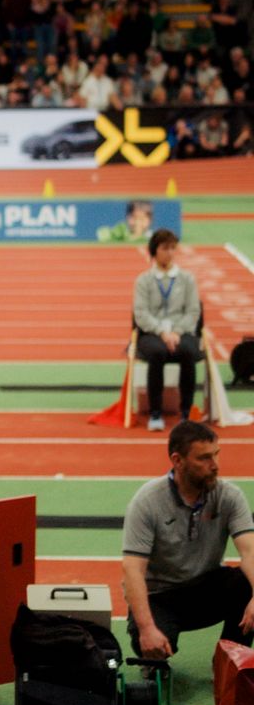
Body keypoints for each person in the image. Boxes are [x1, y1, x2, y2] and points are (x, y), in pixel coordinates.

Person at [121, 420, 254, 662]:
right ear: (177, 460)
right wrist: (147, 628)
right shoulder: (147, 502)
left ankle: (231, 663)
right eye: (204, 458)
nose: (215, 466)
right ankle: (154, 658)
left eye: (216, 455)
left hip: (205, 588)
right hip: (160, 596)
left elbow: (249, 552)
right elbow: (132, 569)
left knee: (245, 583)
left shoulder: (229, 496)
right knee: (153, 648)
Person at [133, 227, 202, 430]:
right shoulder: (143, 280)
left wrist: (176, 332)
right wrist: (162, 333)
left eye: (173, 248)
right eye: (165, 248)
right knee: (157, 353)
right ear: (155, 251)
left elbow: (193, 311)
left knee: (188, 352)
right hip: (152, 333)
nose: (170, 252)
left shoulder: (187, 279)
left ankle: (186, 412)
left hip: (181, 332)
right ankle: (155, 413)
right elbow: (141, 314)